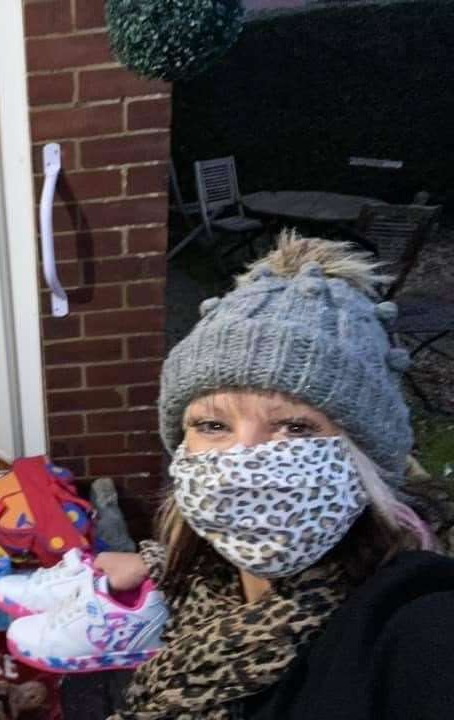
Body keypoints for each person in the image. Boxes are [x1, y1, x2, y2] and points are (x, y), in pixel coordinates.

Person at [92, 232, 454, 719]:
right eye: (213, 425)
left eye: (296, 427)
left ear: (364, 458)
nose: (245, 461)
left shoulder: (412, 626)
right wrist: (157, 564)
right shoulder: (204, 580)